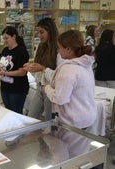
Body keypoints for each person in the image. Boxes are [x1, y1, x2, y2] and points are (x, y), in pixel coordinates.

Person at [44, 29, 97, 158]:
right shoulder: (85, 64)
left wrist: (47, 88)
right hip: (86, 118)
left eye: (59, 48)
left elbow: (59, 98)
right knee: (79, 154)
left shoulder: (68, 69)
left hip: (72, 122)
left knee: (67, 158)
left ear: (68, 49)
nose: (58, 51)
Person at [23, 17, 61, 121]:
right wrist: (32, 67)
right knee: (31, 117)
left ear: (50, 31)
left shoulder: (59, 50)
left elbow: (59, 76)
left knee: (49, 121)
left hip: (52, 89)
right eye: (38, 32)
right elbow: (38, 68)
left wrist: (43, 69)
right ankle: (32, 136)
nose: (39, 35)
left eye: (42, 32)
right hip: (40, 86)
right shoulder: (41, 47)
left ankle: (48, 136)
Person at [0, 26, 29, 114]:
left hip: (17, 89)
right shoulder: (5, 50)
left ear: (14, 36)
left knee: (16, 114)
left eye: (7, 38)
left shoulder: (21, 51)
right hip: (5, 87)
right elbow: (2, 65)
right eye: (3, 38)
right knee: (8, 112)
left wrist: (5, 73)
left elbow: (22, 72)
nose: (5, 41)